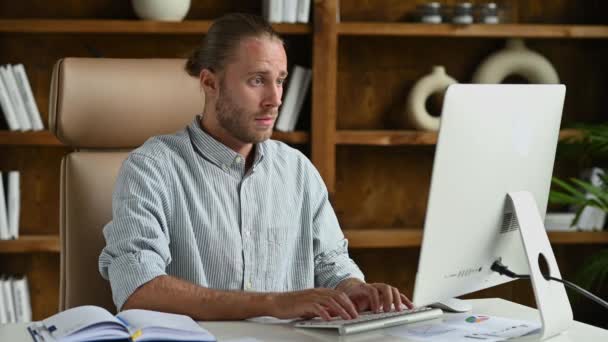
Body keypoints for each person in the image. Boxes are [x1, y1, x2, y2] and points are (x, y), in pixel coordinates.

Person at [99, 13, 413, 321]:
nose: (275, 99)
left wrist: (354, 289)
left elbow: (331, 263)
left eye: (280, 81)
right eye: (257, 81)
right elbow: (138, 289)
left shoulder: (297, 170)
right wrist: (272, 303)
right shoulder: (151, 168)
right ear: (210, 83)